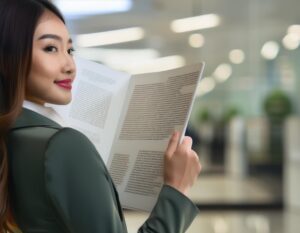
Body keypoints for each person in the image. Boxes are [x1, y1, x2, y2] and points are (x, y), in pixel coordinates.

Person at [0, 0, 202, 232]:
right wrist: (176, 191)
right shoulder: (63, 145)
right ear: (7, 59)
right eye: (50, 48)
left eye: (70, 50)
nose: (70, 66)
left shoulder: (12, 136)